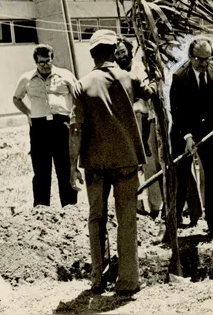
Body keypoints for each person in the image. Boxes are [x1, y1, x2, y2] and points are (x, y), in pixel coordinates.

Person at [69, 29, 154, 295]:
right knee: (127, 218)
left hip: (95, 162)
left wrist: (73, 165)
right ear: (112, 51)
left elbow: (76, 128)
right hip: (126, 159)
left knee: (97, 218)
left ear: (93, 54)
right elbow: (150, 93)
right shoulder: (128, 77)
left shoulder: (81, 85)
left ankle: (98, 278)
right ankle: (128, 280)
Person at [169, 38, 213, 242]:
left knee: (211, 174)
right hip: (183, 130)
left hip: (209, 128)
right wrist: (187, 136)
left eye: (208, 59)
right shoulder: (180, 76)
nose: (205, 64)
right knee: (180, 179)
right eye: (200, 60)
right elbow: (176, 111)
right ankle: (171, 226)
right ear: (190, 57)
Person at [13, 44, 78, 207]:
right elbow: (16, 98)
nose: (45, 65)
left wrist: (74, 116)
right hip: (39, 126)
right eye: (41, 62)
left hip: (61, 124)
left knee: (64, 167)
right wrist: (28, 113)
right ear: (36, 62)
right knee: (41, 170)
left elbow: (77, 96)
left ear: (52, 59)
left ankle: (70, 207)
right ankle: (42, 209)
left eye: (48, 61)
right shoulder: (26, 78)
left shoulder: (65, 75)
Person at [115, 38, 163, 219]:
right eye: (117, 53)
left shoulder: (140, 69)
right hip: (125, 124)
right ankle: (136, 208)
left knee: (150, 164)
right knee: (130, 167)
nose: (121, 56)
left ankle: (155, 206)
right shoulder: (114, 72)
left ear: (129, 51)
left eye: (123, 51)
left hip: (145, 120)